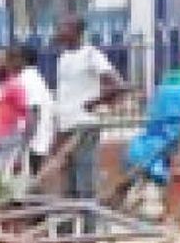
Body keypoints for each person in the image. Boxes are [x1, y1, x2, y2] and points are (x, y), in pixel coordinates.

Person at [53, 18, 127, 216]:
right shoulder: (63, 57)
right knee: (68, 182)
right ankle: (66, 234)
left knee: (85, 179)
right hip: (66, 125)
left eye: (63, 27)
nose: (58, 31)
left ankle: (88, 234)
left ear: (76, 30)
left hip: (85, 125)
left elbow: (118, 85)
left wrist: (95, 102)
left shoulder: (91, 55)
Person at [0, 51, 29, 195]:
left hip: (9, 139)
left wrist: (21, 148)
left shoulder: (15, 86)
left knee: (2, 177)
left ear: (8, 64)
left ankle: (6, 206)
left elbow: (26, 114)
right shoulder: (0, 87)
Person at [15, 44, 55, 179]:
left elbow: (33, 113)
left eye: (12, 58)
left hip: (32, 143)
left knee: (30, 185)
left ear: (22, 60)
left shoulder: (28, 80)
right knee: (31, 185)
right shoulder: (31, 78)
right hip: (34, 141)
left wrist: (22, 148)